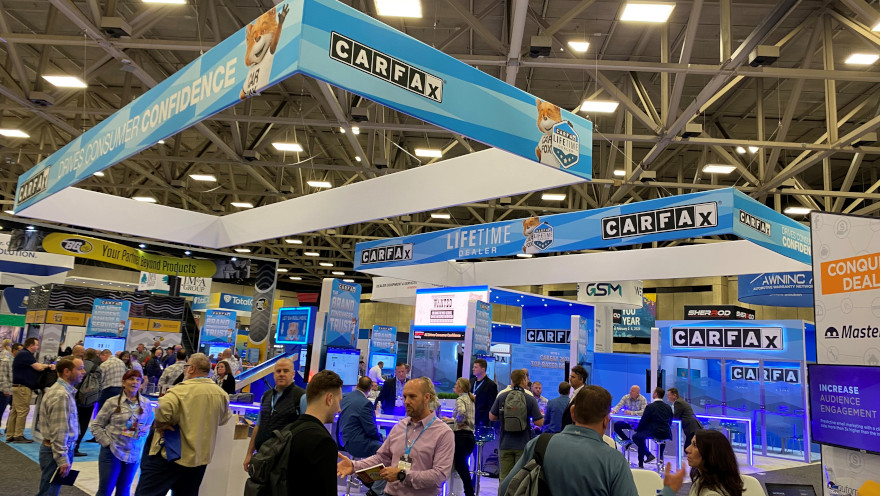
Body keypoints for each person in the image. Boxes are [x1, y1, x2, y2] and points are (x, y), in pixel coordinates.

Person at [498, 385, 639, 496]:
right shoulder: (615, 461)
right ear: (606, 420)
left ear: (572, 412)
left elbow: (506, 489)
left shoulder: (539, 444)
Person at [135, 353, 232, 496]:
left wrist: (160, 424)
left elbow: (163, 408)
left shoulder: (179, 391)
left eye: (186, 367)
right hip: (199, 458)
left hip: (170, 454)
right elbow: (223, 420)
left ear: (191, 369)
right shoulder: (221, 394)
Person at [339, 377, 455, 496]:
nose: (406, 401)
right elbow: (381, 458)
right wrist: (354, 466)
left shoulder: (443, 433)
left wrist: (402, 475)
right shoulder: (400, 427)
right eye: (405, 397)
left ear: (426, 398)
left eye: (412, 396)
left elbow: (439, 475)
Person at [90, 370, 154, 496]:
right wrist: (107, 443)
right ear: (123, 382)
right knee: (105, 490)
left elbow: (149, 423)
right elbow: (96, 425)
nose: (135, 382)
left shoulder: (146, 403)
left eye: (138, 380)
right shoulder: (112, 402)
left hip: (133, 453)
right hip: (112, 451)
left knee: (124, 490)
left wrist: (144, 432)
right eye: (131, 379)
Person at [281, 370, 344, 496]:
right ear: (329, 399)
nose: (339, 409)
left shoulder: (288, 431)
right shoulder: (324, 442)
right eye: (339, 401)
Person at [243, 357, 306, 470]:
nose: (281, 374)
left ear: (293, 374)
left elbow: (305, 431)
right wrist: (249, 453)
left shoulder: (301, 397)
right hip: (262, 457)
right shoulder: (266, 396)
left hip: (285, 461)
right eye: (278, 371)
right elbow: (258, 426)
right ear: (273, 374)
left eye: (285, 371)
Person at [38, 357, 85, 496]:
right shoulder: (61, 395)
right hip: (56, 451)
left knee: (49, 491)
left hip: (57, 450)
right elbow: (59, 430)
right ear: (66, 372)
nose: (83, 372)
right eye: (79, 368)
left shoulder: (64, 392)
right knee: (49, 493)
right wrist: (62, 458)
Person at [489, 369, 544, 481]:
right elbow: (539, 422)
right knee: (520, 479)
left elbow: (492, 417)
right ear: (523, 380)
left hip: (505, 444)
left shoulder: (502, 396)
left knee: (504, 478)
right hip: (522, 445)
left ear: (512, 380)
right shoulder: (530, 398)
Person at [660, 430, 744, 496]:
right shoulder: (702, 479)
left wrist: (668, 491)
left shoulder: (711, 493)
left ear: (711, 453)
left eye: (695, 445)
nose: (687, 449)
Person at [8, 337, 54, 443]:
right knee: (22, 411)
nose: (38, 347)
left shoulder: (23, 354)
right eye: (37, 345)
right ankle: (18, 435)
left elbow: (38, 365)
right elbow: (38, 367)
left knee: (15, 411)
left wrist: (45, 365)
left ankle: (11, 434)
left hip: (17, 386)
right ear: (31, 345)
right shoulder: (26, 354)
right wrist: (49, 366)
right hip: (23, 388)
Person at [441, 377, 475, 496]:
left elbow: (462, 412)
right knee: (463, 467)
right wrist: (453, 420)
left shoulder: (460, 399)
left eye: (456, 384)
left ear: (460, 387)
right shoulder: (470, 398)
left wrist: (459, 422)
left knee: (461, 467)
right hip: (470, 436)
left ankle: (468, 493)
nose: (454, 386)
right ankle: (469, 492)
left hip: (461, 437)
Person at [632, 387, 673, 468]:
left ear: (656, 394)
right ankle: (660, 458)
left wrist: (638, 429)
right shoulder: (668, 407)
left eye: (653, 392)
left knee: (636, 437)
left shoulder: (650, 406)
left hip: (654, 432)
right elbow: (670, 420)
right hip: (666, 433)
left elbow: (644, 420)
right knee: (660, 439)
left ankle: (646, 457)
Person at [469, 358, 498, 428]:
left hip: (482, 422)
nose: (473, 369)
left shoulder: (491, 385)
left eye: (476, 367)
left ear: (483, 369)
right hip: (470, 419)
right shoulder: (471, 382)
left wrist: (482, 421)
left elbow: (491, 406)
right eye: (473, 367)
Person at [0, 340, 13, 431]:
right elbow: (3, 375)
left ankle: (9, 428)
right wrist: (6, 389)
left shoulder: (5, 356)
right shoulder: (6, 357)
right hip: (5, 389)